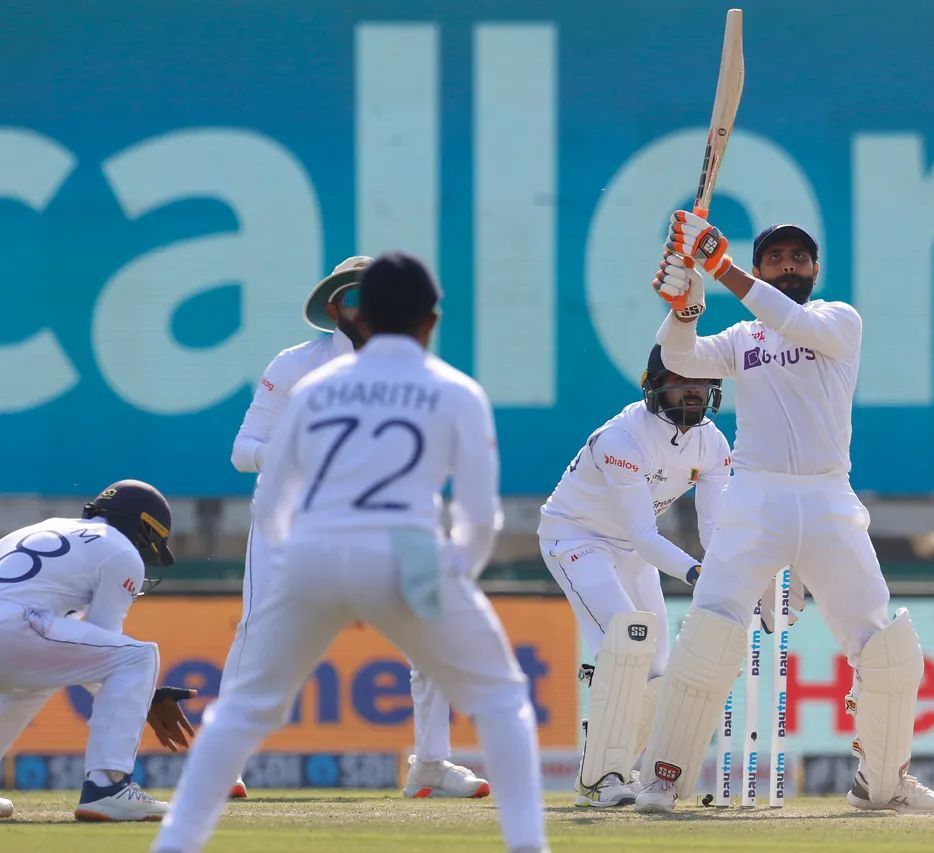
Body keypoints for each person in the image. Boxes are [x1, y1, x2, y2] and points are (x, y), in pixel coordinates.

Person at [152, 252, 546, 853]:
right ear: (429, 321)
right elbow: (478, 515)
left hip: (314, 546)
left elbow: (274, 500)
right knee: (501, 700)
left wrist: (302, 571)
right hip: (406, 548)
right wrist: (453, 575)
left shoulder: (317, 390)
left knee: (245, 710)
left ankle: (175, 844)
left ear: (365, 313)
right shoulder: (455, 391)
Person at [631, 213, 934, 815]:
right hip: (755, 497)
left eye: (797, 258)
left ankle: (883, 785)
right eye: (774, 259)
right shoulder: (743, 338)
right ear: (761, 268)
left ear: (815, 268)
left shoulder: (838, 321)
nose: (787, 266)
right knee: (711, 628)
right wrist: (684, 305)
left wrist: (717, 268)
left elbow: (789, 318)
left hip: (829, 498)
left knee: (884, 645)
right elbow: (679, 356)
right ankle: (662, 779)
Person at [226, 256, 487, 800]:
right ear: (332, 308)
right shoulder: (298, 364)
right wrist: (298, 456)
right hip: (297, 521)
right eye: (351, 298)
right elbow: (243, 449)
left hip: (390, 522)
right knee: (257, 631)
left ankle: (432, 764)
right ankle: (227, 762)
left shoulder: (418, 373)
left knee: (432, 638)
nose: (362, 309)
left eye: (370, 297)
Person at [539, 344, 731, 807]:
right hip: (575, 540)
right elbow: (646, 535)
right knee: (627, 644)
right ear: (654, 386)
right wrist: (699, 573)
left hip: (630, 551)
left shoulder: (713, 443)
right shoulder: (619, 440)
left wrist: (737, 575)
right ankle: (599, 779)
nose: (694, 395)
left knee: (658, 672)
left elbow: (715, 530)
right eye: (683, 385)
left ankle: (620, 766)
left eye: (703, 385)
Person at [0, 480, 196, 821]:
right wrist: (145, 694)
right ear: (142, 527)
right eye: (150, 544)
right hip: (14, 626)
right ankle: (109, 788)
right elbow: (105, 648)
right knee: (139, 657)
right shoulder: (121, 549)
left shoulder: (45, 527)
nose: (146, 554)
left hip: (15, 625)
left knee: (37, 680)